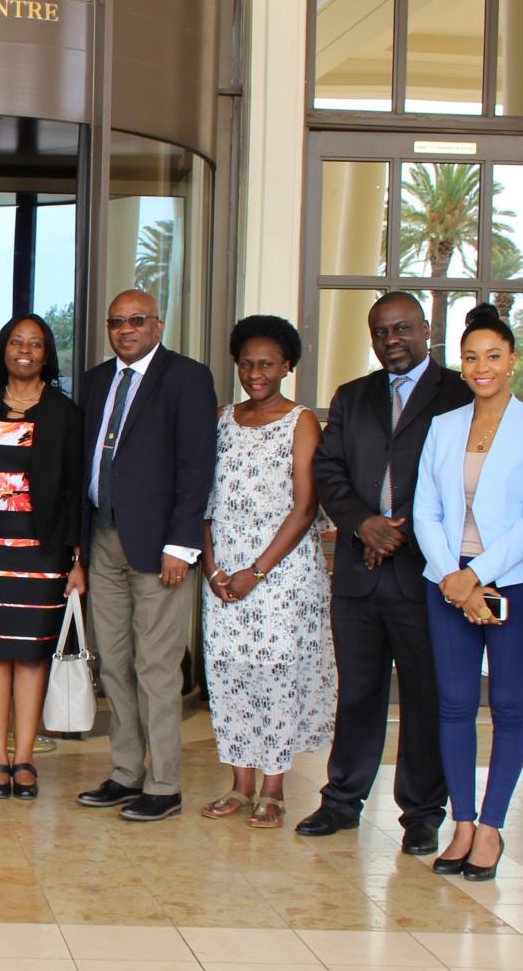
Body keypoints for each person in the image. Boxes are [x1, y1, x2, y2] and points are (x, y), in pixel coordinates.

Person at [297, 291, 470, 854]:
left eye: (402, 329)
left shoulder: (460, 394)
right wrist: (362, 525)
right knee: (358, 693)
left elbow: (459, 483)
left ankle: (421, 813)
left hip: (427, 573)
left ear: (426, 330)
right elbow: (330, 468)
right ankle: (342, 801)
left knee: (424, 696)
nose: (391, 340)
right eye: (380, 332)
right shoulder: (352, 396)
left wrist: (397, 534)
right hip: (358, 574)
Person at [410, 304, 523, 880]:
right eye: (471, 357)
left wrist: (478, 575)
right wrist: (452, 574)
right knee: (452, 705)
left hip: (514, 583)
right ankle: (463, 823)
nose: (481, 367)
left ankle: (492, 827)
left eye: (493, 356)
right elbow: (425, 508)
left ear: (513, 360)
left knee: (508, 707)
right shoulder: (443, 426)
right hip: (445, 580)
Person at [75, 289, 217, 821]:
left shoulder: (186, 377)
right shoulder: (94, 381)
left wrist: (182, 545)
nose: (126, 330)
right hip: (102, 538)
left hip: (161, 547)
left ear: (158, 325)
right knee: (113, 661)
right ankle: (126, 772)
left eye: (137, 321)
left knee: (157, 665)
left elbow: (196, 466)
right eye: (116, 322)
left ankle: (165, 784)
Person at [197, 316, 333, 829]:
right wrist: (212, 569)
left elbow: (304, 507)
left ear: (287, 366)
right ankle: (239, 784)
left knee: (276, 675)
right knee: (229, 673)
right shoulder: (220, 418)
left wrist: (257, 570)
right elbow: (204, 502)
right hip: (225, 574)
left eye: (267, 364)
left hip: (281, 574)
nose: (256, 373)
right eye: (247, 364)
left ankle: (273, 787)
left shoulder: (301, 421)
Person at [0, 314, 84, 800]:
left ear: (47, 354)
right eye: (17, 341)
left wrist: (77, 558)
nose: (25, 350)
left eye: (35, 343)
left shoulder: (63, 413)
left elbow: (75, 491)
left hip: (43, 552)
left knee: (32, 656)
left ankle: (26, 757)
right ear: (3, 349)